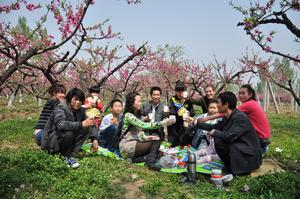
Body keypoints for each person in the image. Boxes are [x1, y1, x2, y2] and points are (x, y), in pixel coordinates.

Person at [192, 92, 262, 175]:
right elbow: (214, 126)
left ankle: (238, 170)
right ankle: (229, 166)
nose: (217, 105)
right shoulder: (228, 116)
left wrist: (215, 132)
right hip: (239, 147)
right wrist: (196, 123)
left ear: (226, 105)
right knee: (219, 139)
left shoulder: (240, 117)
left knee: (220, 139)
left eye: (218, 102)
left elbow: (229, 136)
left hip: (248, 154)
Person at [199, 84, 271, 155]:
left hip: (260, 139)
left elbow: (227, 113)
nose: (240, 96)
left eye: (243, 93)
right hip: (261, 138)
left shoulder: (249, 104)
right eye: (239, 93)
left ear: (250, 95)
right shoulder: (252, 103)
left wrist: (207, 118)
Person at [41, 88, 99, 169]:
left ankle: (71, 156)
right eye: (75, 99)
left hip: (66, 141)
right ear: (69, 98)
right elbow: (60, 124)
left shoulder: (80, 110)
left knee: (87, 127)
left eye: (80, 101)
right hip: (52, 141)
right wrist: (81, 124)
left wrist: (94, 139)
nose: (78, 102)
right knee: (69, 130)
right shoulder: (61, 108)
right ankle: (63, 156)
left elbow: (91, 123)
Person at [119, 91, 176, 171]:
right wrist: (163, 122)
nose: (140, 103)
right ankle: (150, 162)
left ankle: (135, 159)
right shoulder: (128, 115)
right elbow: (144, 125)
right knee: (156, 142)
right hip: (127, 145)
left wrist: (146, 137)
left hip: (135, 144)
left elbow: (137, 133)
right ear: (131, 103)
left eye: (140, 101)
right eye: (138, 101)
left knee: (159, 152)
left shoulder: (135, 115)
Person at [168, 80, 195, 147]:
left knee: (184, 143)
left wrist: (188, 113)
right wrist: (178, 113)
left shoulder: (188, 100)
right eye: (178, 91)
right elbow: (171, 112)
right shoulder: (173, 100)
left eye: (182, 91)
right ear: (176, 92)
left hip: (185, 124)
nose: (180, 93)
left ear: (185, 91)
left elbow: (192, 112)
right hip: (175, 124)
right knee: (174, 144)